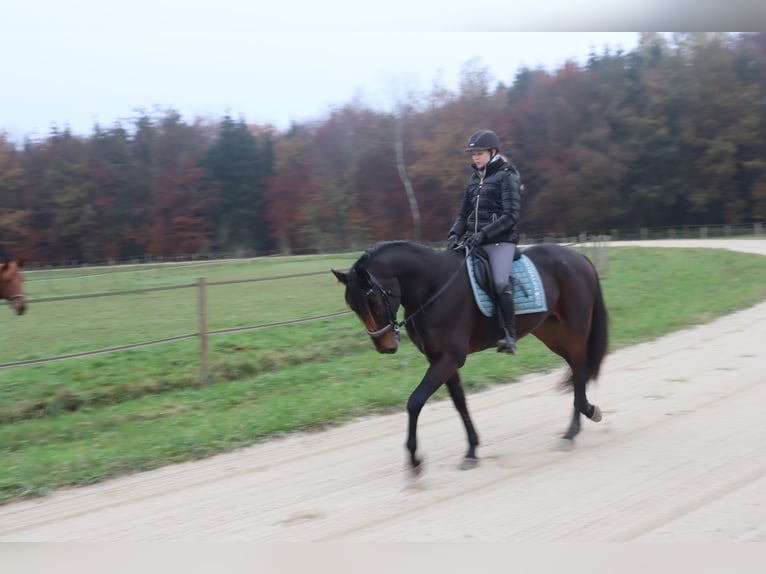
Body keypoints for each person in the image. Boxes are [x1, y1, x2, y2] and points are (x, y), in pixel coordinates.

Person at [447, 129, 523, 354]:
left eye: (479, 153)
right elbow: (463, 215)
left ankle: (509, 335)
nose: (475, 157)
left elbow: (511, 216)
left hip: (500, 242)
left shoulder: (507, 175)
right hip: (474, 240)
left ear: (493, 152)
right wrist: (453, 234)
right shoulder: (473, 179)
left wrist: (484, 234)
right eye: (473, 154)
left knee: (500, 283)